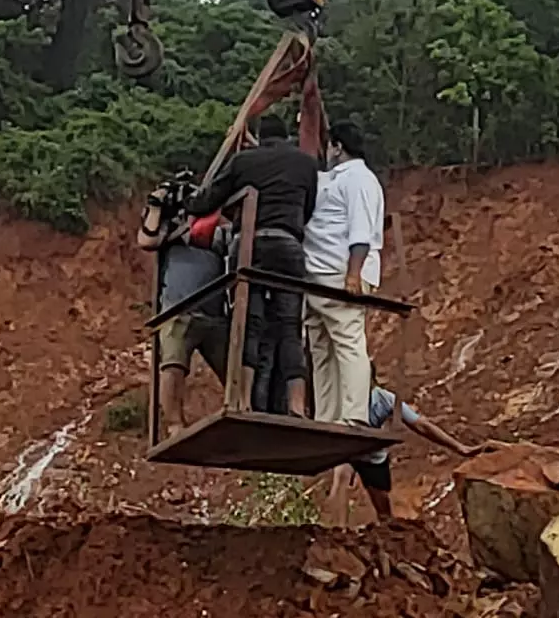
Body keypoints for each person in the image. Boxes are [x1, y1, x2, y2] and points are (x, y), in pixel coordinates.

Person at [185, 114, 319, 416]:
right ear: (285, 136)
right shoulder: (306, 164)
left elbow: (207, 201)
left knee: (250, 323)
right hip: (289, 245)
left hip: (251, 246)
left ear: (260, 135)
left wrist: (187, 202)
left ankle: (242, 401)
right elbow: (308, 209)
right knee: (289, 327)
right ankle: (297, 405)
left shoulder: (244, 162)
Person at [327, 364, 487, 526]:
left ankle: (387, 532)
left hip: (373, 455)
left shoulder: (385, 400)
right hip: (348, 449)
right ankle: (336, 533)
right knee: (341, 478)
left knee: (382, 505)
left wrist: (460, 448)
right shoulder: (339, 399)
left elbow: (421, 425)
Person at [303, 120, 384, 425]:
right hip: (317, 277)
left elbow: (361, 231)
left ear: (337, 147)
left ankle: (354, 415)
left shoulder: (359, 179)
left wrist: (354, 274)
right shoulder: (333, 179)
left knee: (348, 340)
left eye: (330, 146)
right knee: (321, 347)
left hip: (339, 274)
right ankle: (328, 417)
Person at [136, 179, 231, 438]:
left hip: (214, 311)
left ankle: (237, 411)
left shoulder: (216, 225)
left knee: (232, 368)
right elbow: (147, 240)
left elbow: (234, 239)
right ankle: (175, 424)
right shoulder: (169, 227)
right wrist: (157, 204)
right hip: (179, 307)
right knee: (173, 365)